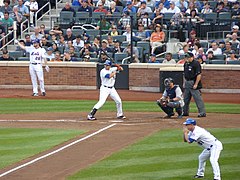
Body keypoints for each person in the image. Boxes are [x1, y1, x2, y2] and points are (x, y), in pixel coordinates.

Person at [183, 52, 206, 117]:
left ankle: (202, 112)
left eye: (188, 57)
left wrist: (196, 84)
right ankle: (185, 111)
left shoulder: (196, 64)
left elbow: (198, 75)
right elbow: (185, 74)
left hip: (193, 82)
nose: (186, 59)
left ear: (192, 57)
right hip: (187, 82)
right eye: (186, 57)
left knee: (197, 98)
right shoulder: (186, 64)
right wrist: (184, 82)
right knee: (186, 99)